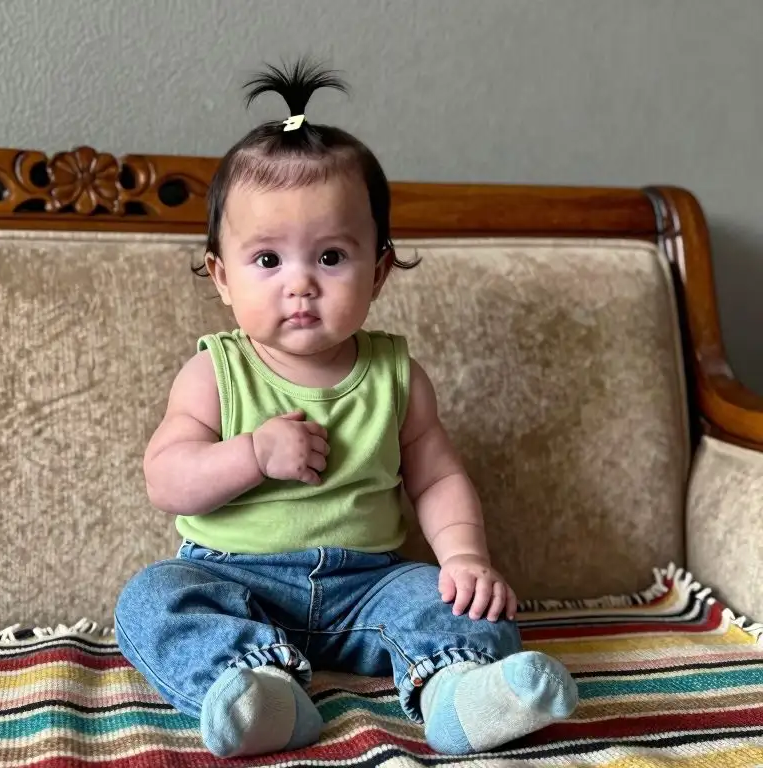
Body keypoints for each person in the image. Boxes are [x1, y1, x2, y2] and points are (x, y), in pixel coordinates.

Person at [115, 58, 578, 759]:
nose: (300, 284)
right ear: (221, 277)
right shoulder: (214, 372)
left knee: (457, 601)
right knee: (152, 598)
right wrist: (252, 453)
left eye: (330, 257)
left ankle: (461, 694)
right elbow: (166, 479)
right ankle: (258, 692)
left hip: (369, 585)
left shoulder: (398, 376)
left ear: (379, 271)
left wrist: (464, 558)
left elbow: (437, 478)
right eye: (268, 261)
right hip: (237, 578)